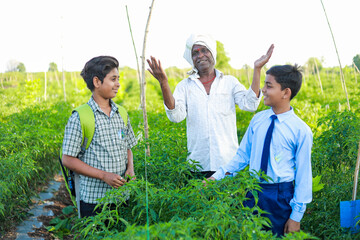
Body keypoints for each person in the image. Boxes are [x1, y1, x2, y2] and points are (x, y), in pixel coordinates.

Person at [147, 33, 274, 178]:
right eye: (195, 53)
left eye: (204, 50)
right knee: (200, 200)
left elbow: (250, 104)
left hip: (227, 164)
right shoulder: (185, 86)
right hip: (197, 165)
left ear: (212, 53)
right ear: (192, 59)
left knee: (227, 200)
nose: (200, 55)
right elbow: (176, 116)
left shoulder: (229, 82)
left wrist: (257, 69)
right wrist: (163, 82)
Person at [207, 64, 313, 236]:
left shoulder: (300, 130)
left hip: (280, 196)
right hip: (253, 191)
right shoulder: (258, 120)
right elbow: (242, 156)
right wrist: (216, 177)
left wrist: (296, 217)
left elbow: (303, 175)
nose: (262, 90)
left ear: (286, 93)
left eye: (269, 86)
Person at [62, 56, 137, 218]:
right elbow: (68, 159)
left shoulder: (121, 113)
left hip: (122, 198)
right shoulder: (81, 117)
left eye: (118, 78)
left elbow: (128, 146)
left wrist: (130, 168)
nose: (118, 84)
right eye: (113, 79)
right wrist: (104, 175)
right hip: (94, 201)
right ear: (97, 82)